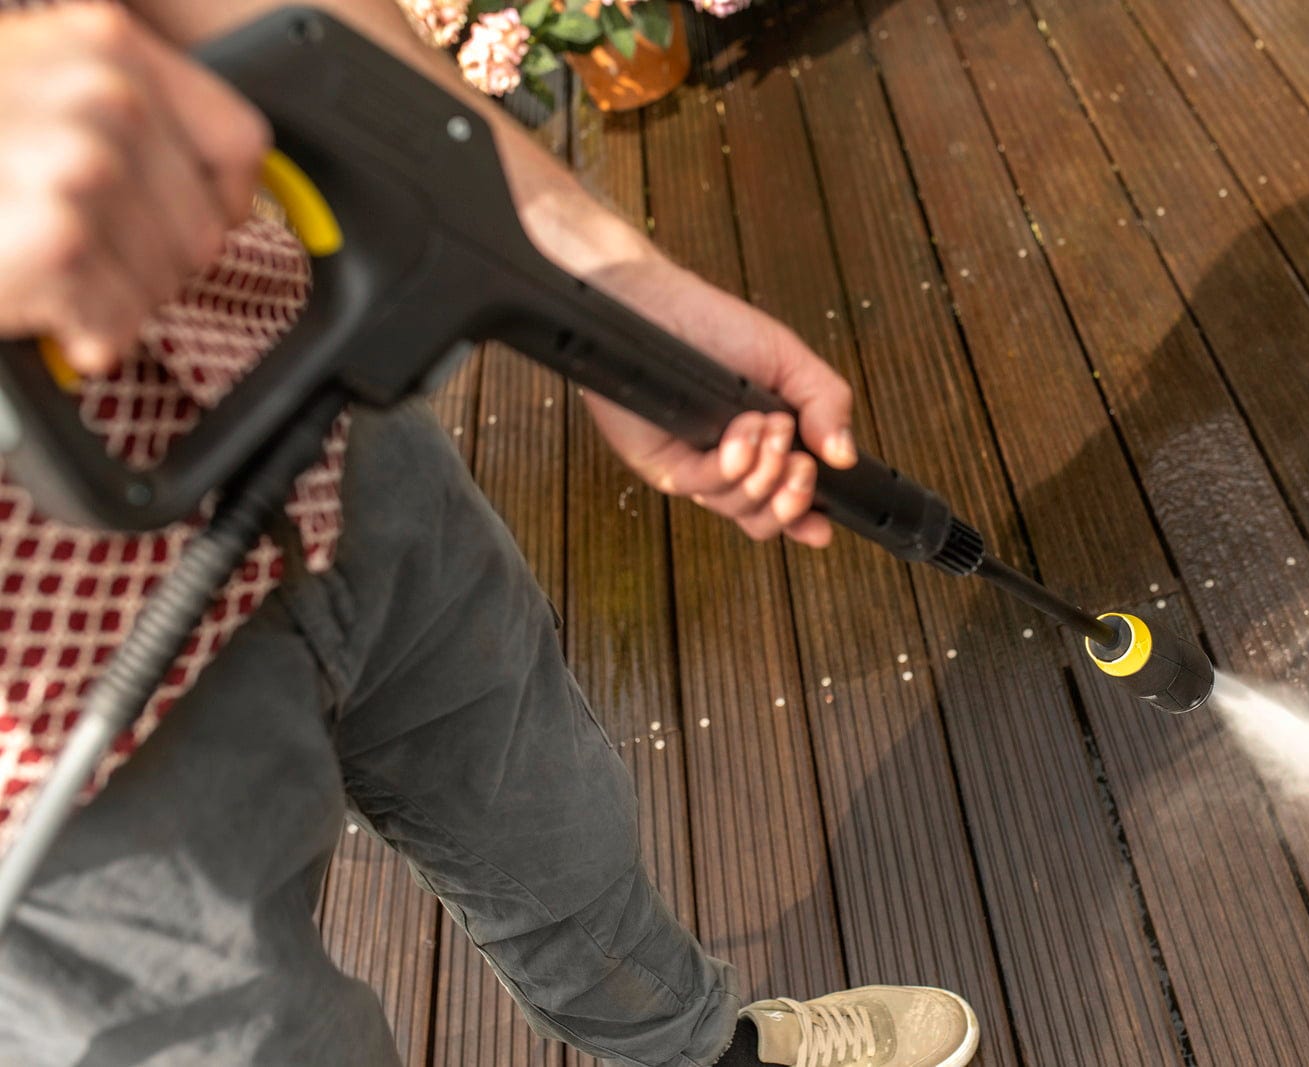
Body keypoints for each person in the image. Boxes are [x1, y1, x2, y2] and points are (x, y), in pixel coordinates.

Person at [0, 2, 982, 1065]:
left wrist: (603, 283)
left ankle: (700, 1051)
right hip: (47, 742)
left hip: (305, 397)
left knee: (555, 824)